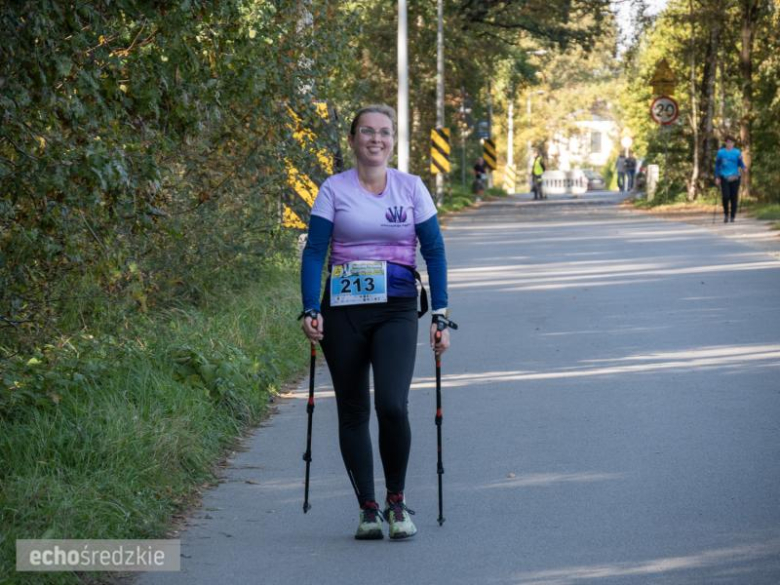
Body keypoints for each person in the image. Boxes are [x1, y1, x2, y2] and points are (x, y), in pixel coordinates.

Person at [299, 104, 452, 541]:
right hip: (343, 310)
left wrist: (440, 313)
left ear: (393, 140)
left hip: (397, 308)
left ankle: (396, 501)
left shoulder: (412, 188)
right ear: (352, 140)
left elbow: (435, 252)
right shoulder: (333, 189)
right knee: (352, 409)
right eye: (367, 131)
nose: (376, 139)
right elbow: (315, 252)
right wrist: (311, 307)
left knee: (390, 403)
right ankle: (368, 508)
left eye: (384, 132)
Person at [714, 135, 747, 223]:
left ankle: (732, 216)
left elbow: (740, 163)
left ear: (733, 143)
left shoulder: (737, 152)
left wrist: (744, 168)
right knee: (725, 196)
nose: (730, 144)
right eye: (728, 142)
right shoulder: (721, 153)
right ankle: (726, 214)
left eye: (731, 142)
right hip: (724, 176)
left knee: (733, 196)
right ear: (725, 143)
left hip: (735, 176)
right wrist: (717, 177)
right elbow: (717, 165)